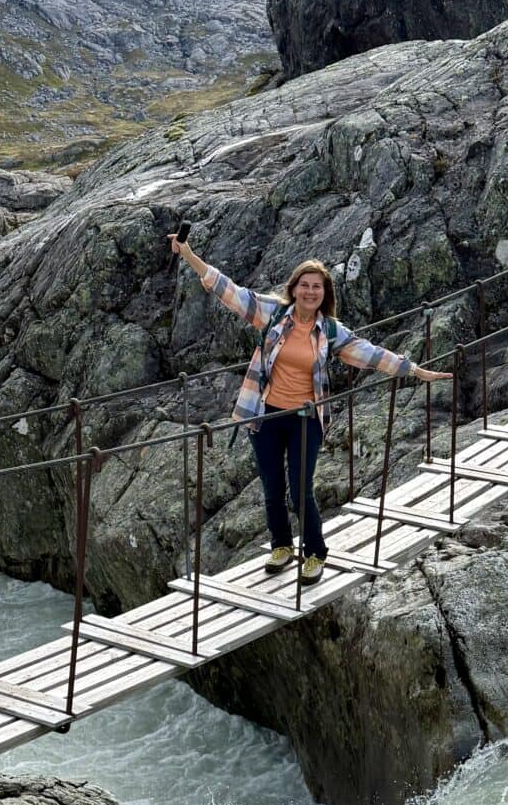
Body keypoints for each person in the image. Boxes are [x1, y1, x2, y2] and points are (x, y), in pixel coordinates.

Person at [171, 233, 451, 584]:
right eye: (304, 285)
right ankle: (282, 546)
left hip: (306, 418)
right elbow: (228, 291)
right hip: (267, 415)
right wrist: (190, 255)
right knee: (272, 487)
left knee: (300, 489)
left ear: (324, 294)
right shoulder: (273, 314)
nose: (309, 292)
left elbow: (371, 354)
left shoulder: (330, 331)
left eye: (316, 287)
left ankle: (315, 553)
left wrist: (413, 370)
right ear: (294, 288)